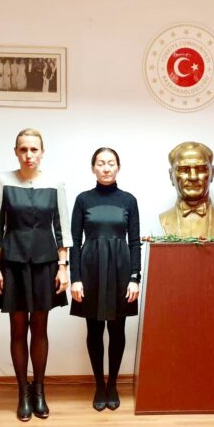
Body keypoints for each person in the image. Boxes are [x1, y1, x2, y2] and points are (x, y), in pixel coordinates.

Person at [0, 128, 72, 421]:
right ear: (16, 152)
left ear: (42, 152)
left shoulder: (55, 183)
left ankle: (40, 391)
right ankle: (23, 391)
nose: (28, 155)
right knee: (18, 327)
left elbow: (62, 227)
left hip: (46, 262)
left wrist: (64, 266)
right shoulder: (3, 180)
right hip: (12, 262)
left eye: (34, 149)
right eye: (23, 149)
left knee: (40, 327)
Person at [70, 147, 141, 411]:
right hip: (90, 271)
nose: (106, 168)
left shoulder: (129, 200)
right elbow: (74, 241)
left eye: (111, 163)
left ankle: (113, 384)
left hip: (121, 271)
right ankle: (99, 384)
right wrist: (75, 277)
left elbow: (135, 241)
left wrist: (135, 278)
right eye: (101, 163)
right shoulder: (83, 200)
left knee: (117, 330)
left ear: (118, 167)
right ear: (93, 168)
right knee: (94, 330)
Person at [159, 141, 214, 238]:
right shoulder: (165, 218)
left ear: (212, 173)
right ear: (171, 175)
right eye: (183, 170)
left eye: (201, 169)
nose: (193, 177)